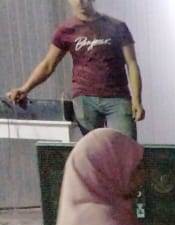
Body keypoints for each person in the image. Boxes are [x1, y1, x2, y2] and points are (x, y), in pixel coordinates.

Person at [6, 0, 144, 139]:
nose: (80, 2)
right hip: (85, 98)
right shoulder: (66, 30)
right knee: (91, 147)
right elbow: (48, 65)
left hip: (117, 97)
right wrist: (25, 89)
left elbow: (132, 63)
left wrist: (137, 100)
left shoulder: (117, 26)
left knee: (125, 145)